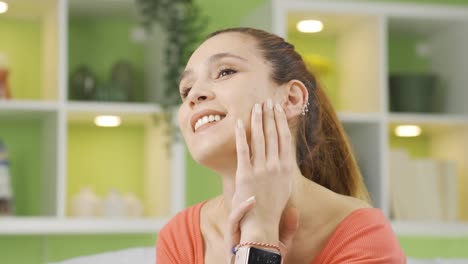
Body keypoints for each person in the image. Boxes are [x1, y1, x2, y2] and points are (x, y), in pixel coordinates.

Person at [156, 27, 406, 264]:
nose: (194, 95)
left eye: (225, 72)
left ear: (291, 98)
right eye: (186, 89)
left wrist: (258, 236)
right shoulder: (180, 238)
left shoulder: (363, 236)